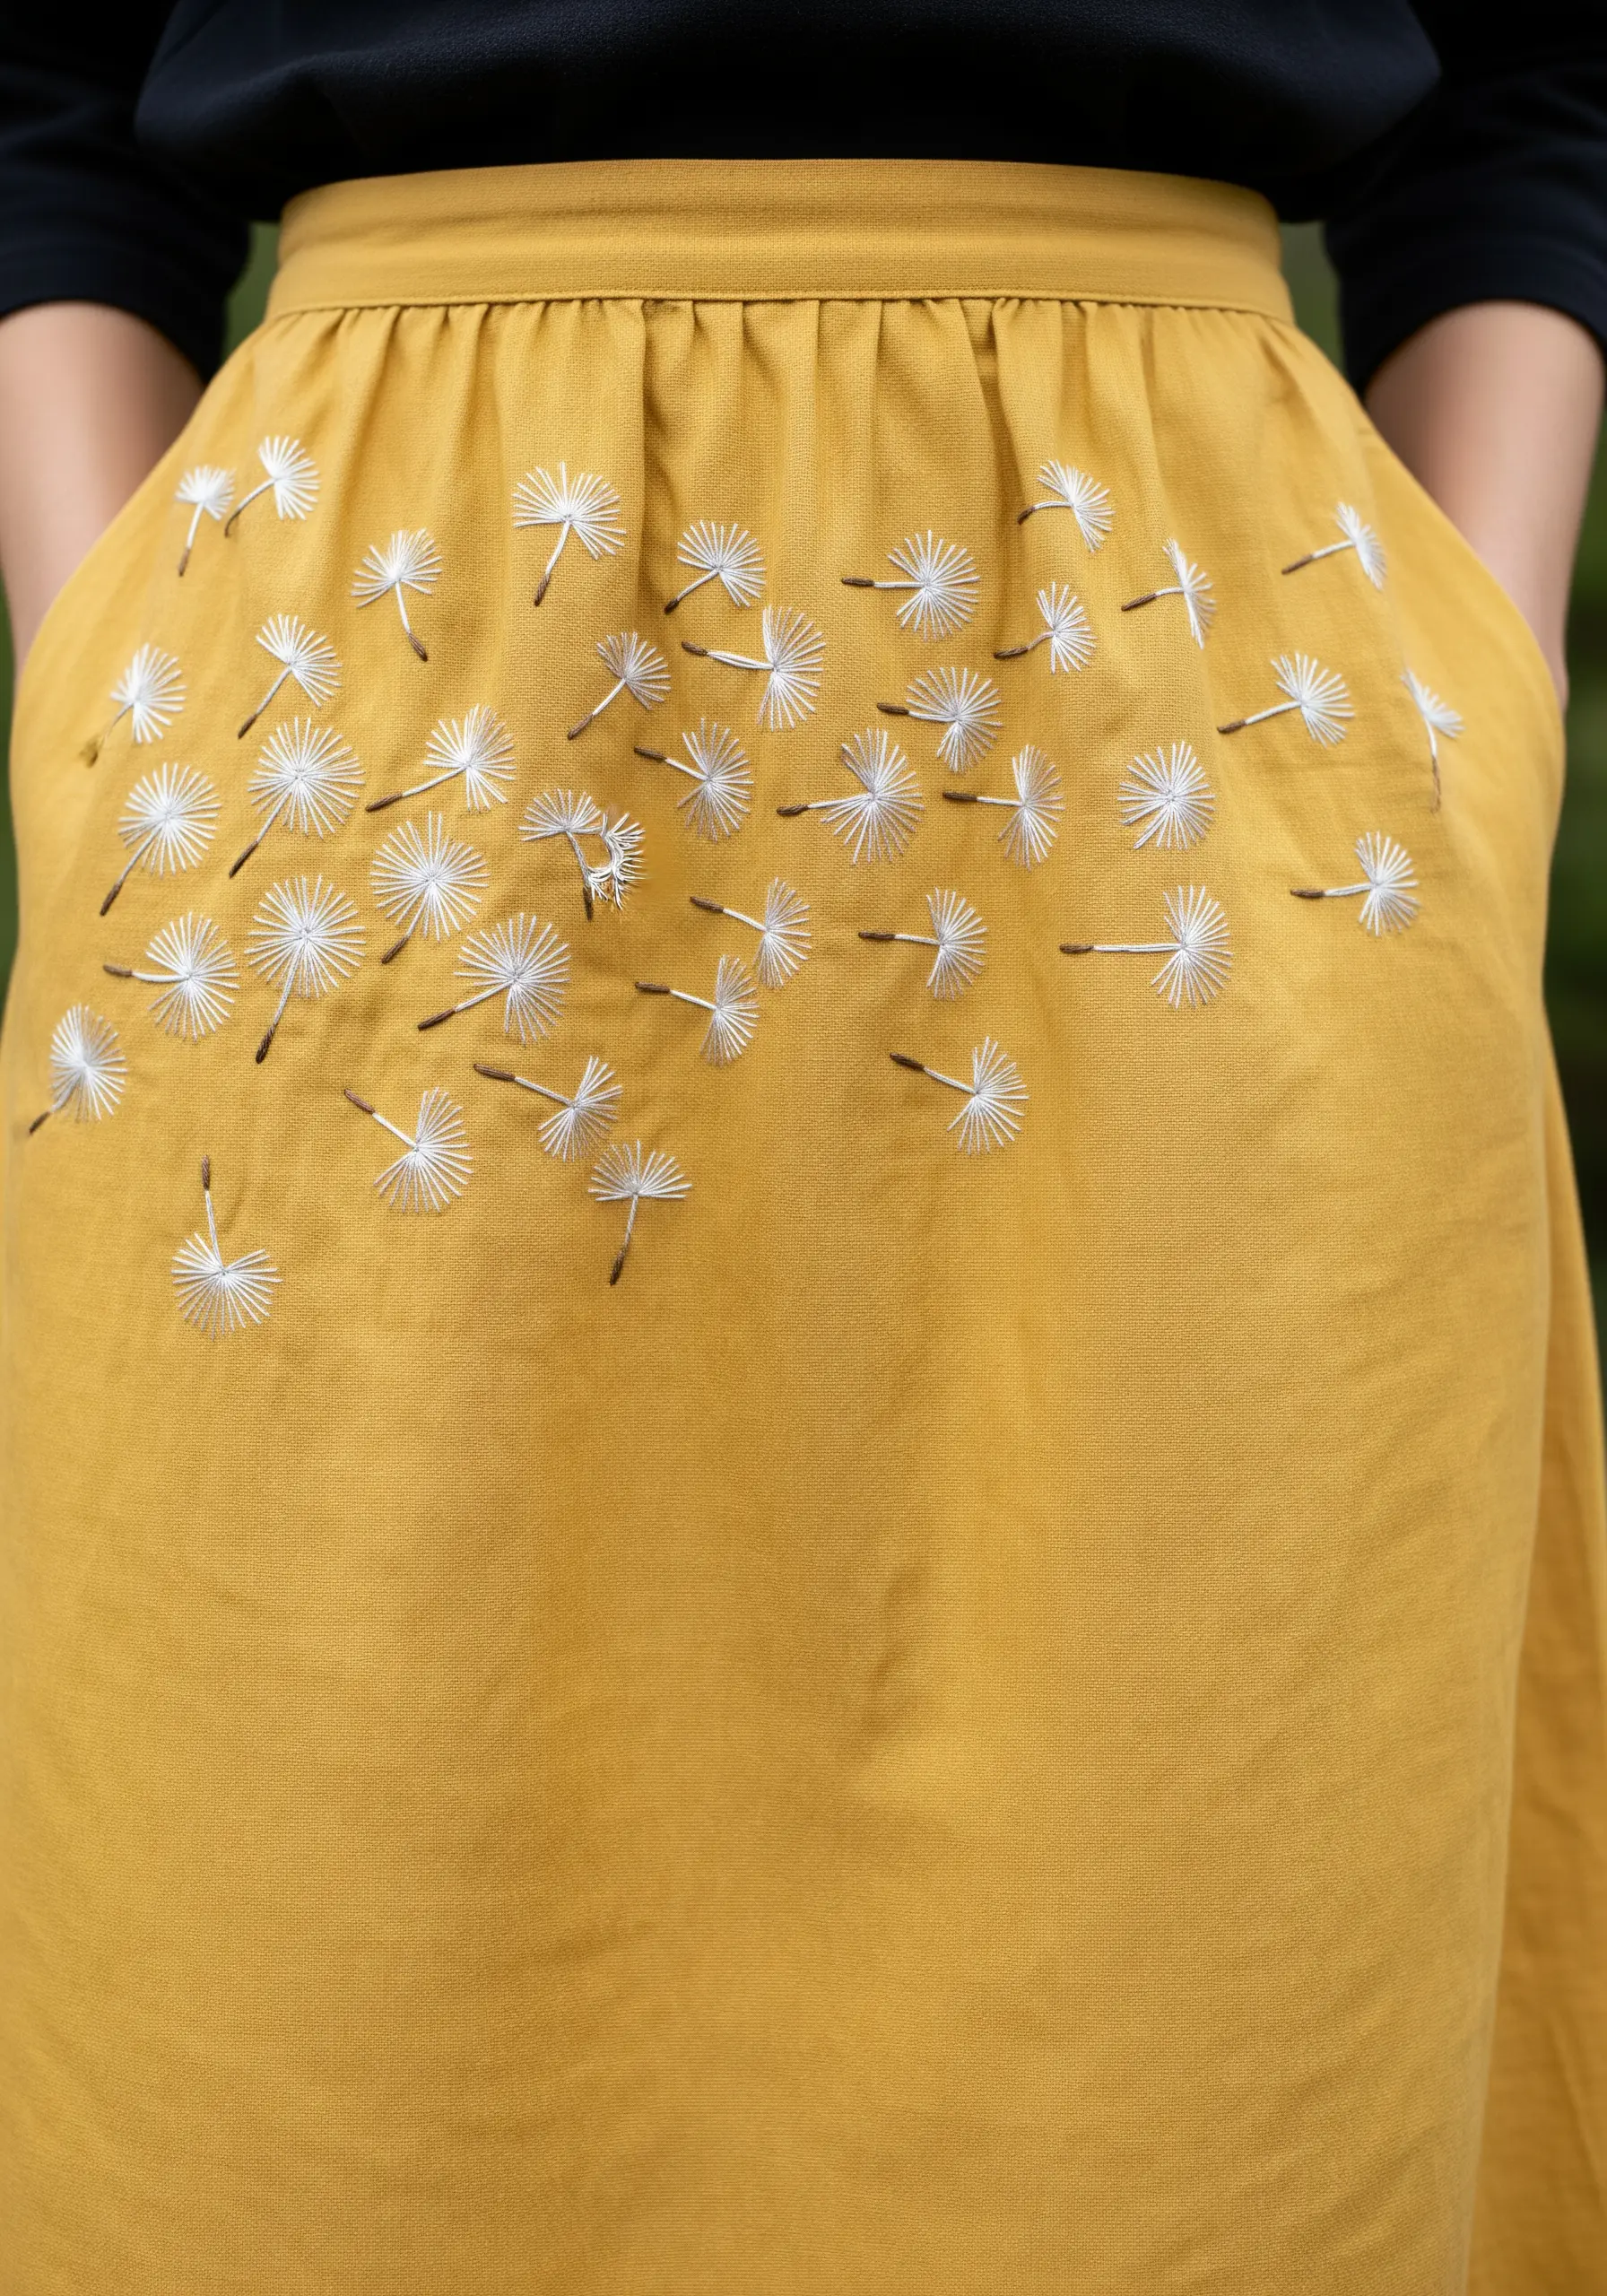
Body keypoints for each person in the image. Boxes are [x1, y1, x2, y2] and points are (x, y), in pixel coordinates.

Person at [0, 9, 1603, 2291]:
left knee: (1207, 2094)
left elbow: (1527, 81)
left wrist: (1482, 673)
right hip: (371, 722)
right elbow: (48, 96)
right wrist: (102, 664)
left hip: (1191, 695)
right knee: (296, 2064)